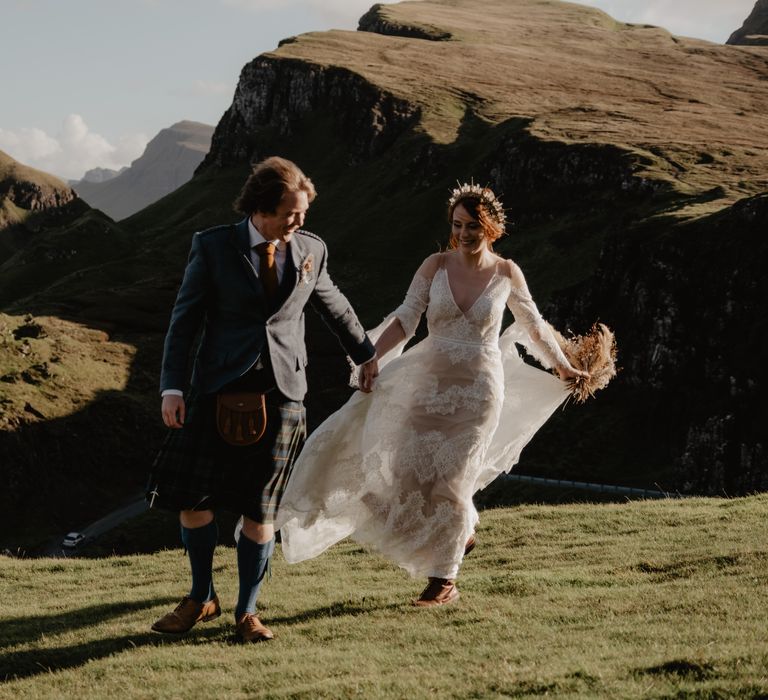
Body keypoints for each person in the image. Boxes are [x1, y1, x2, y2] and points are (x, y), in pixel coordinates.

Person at [274, 182, 591, 606]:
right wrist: (370, 358)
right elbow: (406, 319)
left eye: (472, 226)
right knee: (401, 472)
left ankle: (444, 581)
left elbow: (534, 326)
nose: (463, 233)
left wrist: (565, 366)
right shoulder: (435, 265)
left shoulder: (506, 273)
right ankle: (464, 530)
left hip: (479, 390)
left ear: (491, 227)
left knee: (453, 479)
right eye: (457, 225)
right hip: (427, 383)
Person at [146, 156, 378, 642]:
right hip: (215, 390)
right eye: (291, 213)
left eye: (303, 213)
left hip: (284, 394)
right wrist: (172, 386)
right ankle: (200, 595)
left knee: (261, 509)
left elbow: (333, 303)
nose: (299, 222)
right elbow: (184, 321)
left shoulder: (311, 249)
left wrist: (367, 354)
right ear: (260, 208)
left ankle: (247, 612)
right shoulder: (212, 247)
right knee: (194, 500)